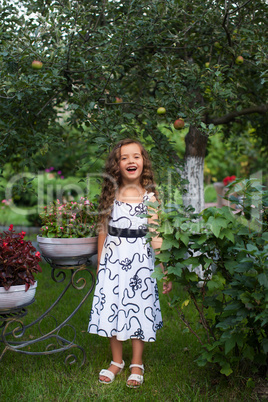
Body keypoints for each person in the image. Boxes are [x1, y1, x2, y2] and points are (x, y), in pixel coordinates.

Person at [88, 138, 172, 388]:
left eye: (136, 156)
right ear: (117, 164)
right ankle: (117, 361)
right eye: (124, 157)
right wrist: (100, 258)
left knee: (139, 306)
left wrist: (163, 269)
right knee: (113, 306)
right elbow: (103, 228)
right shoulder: (111, 193)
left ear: (143, 162)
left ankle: (136, 362)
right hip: (114, 259)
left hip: (141, 261)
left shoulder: (150, 197)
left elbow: (156, 234)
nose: (131, 161)